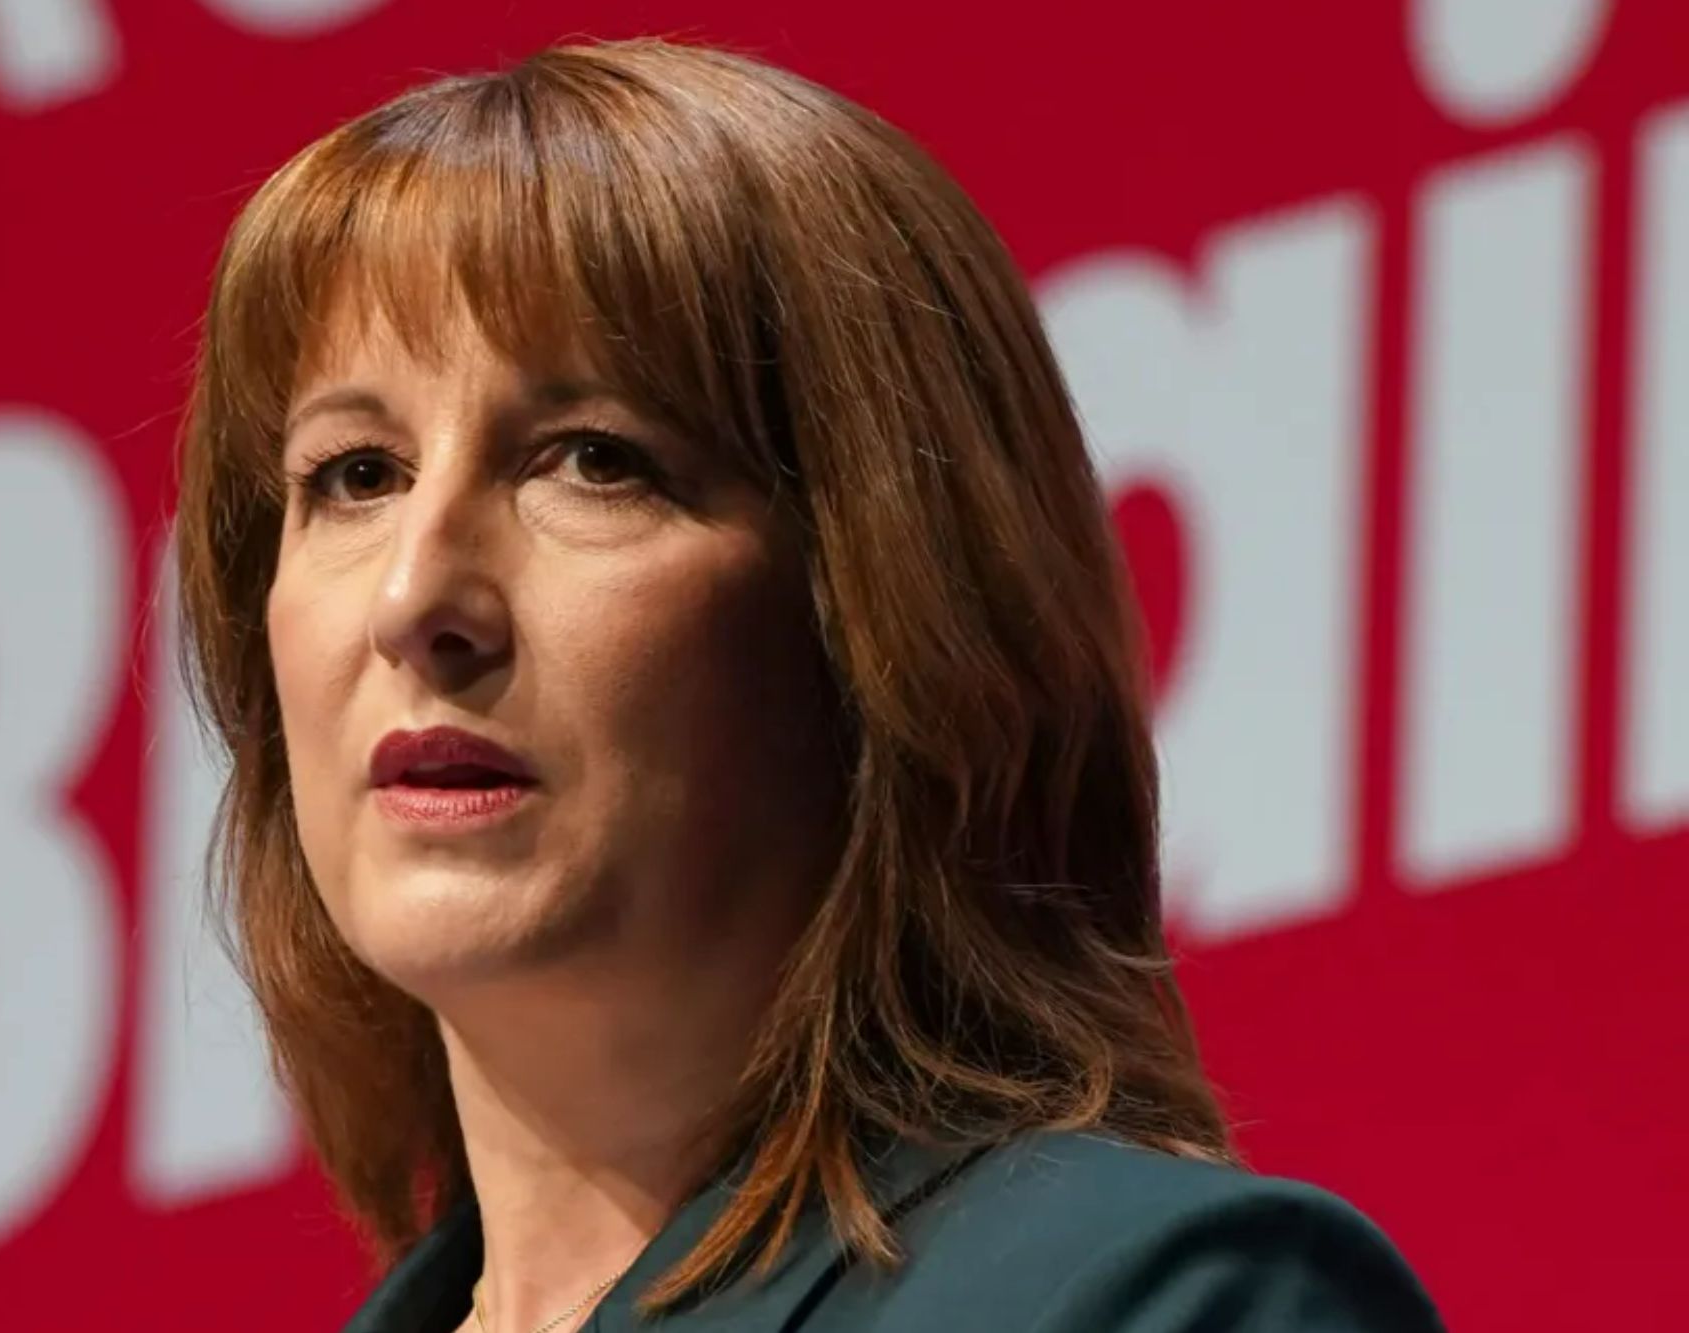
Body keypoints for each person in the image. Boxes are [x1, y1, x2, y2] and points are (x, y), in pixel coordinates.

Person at [173, 36, 1445, 1333]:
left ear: (882, 613)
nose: (414, 600)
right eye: (355, 475)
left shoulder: (1156, 1301)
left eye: (594, 460)